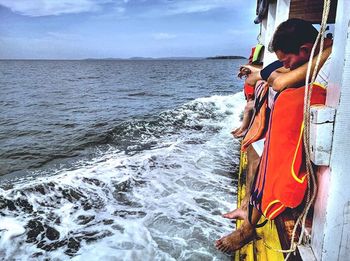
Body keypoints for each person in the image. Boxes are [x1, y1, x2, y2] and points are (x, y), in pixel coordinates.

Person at [216, 18, 332, 253]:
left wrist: (329, 50)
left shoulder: (329, 59)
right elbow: (278, 73)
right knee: (258, 153)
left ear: (305, 50)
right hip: (285, 137)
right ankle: (249, 208)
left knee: (264, 160)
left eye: (287, 59)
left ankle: (249, 225)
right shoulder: (310, 60)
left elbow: (279, 81)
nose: (286, 65)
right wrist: (259, 72)